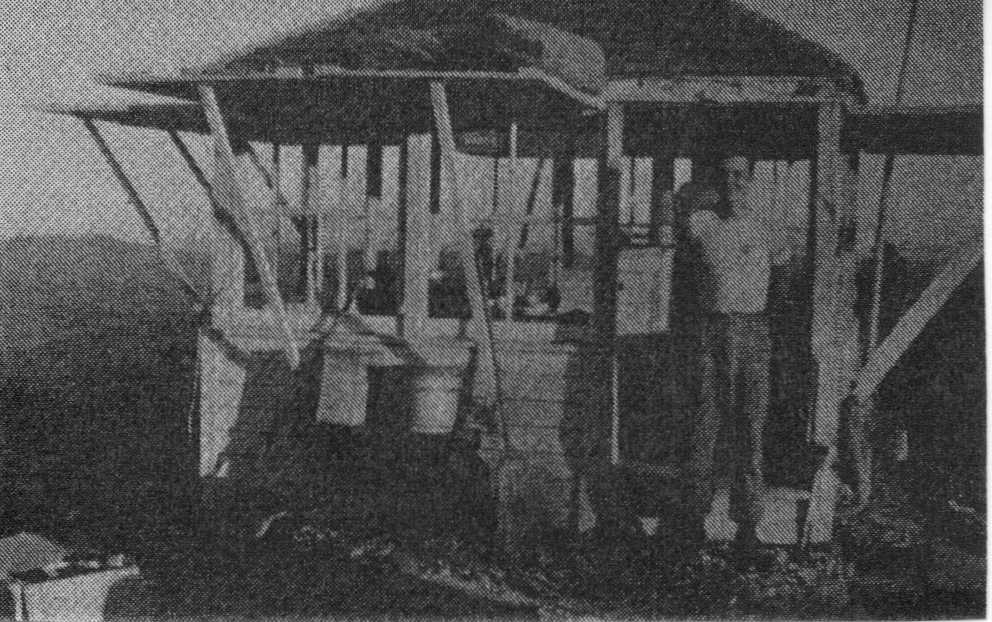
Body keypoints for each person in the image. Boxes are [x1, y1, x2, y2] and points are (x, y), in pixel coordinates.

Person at [683, 155, 787, 554]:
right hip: (710, 332)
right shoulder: (700, 224)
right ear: (716, 182)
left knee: (750, 431)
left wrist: (764, 331)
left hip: (753, 331)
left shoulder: (766, 227)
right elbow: (686, 281)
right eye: (725, 175)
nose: (733, 183)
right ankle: (693, 522)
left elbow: (783, 283)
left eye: (740, 175)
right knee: (703, 426)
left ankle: (747, 529)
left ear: (751, 180)